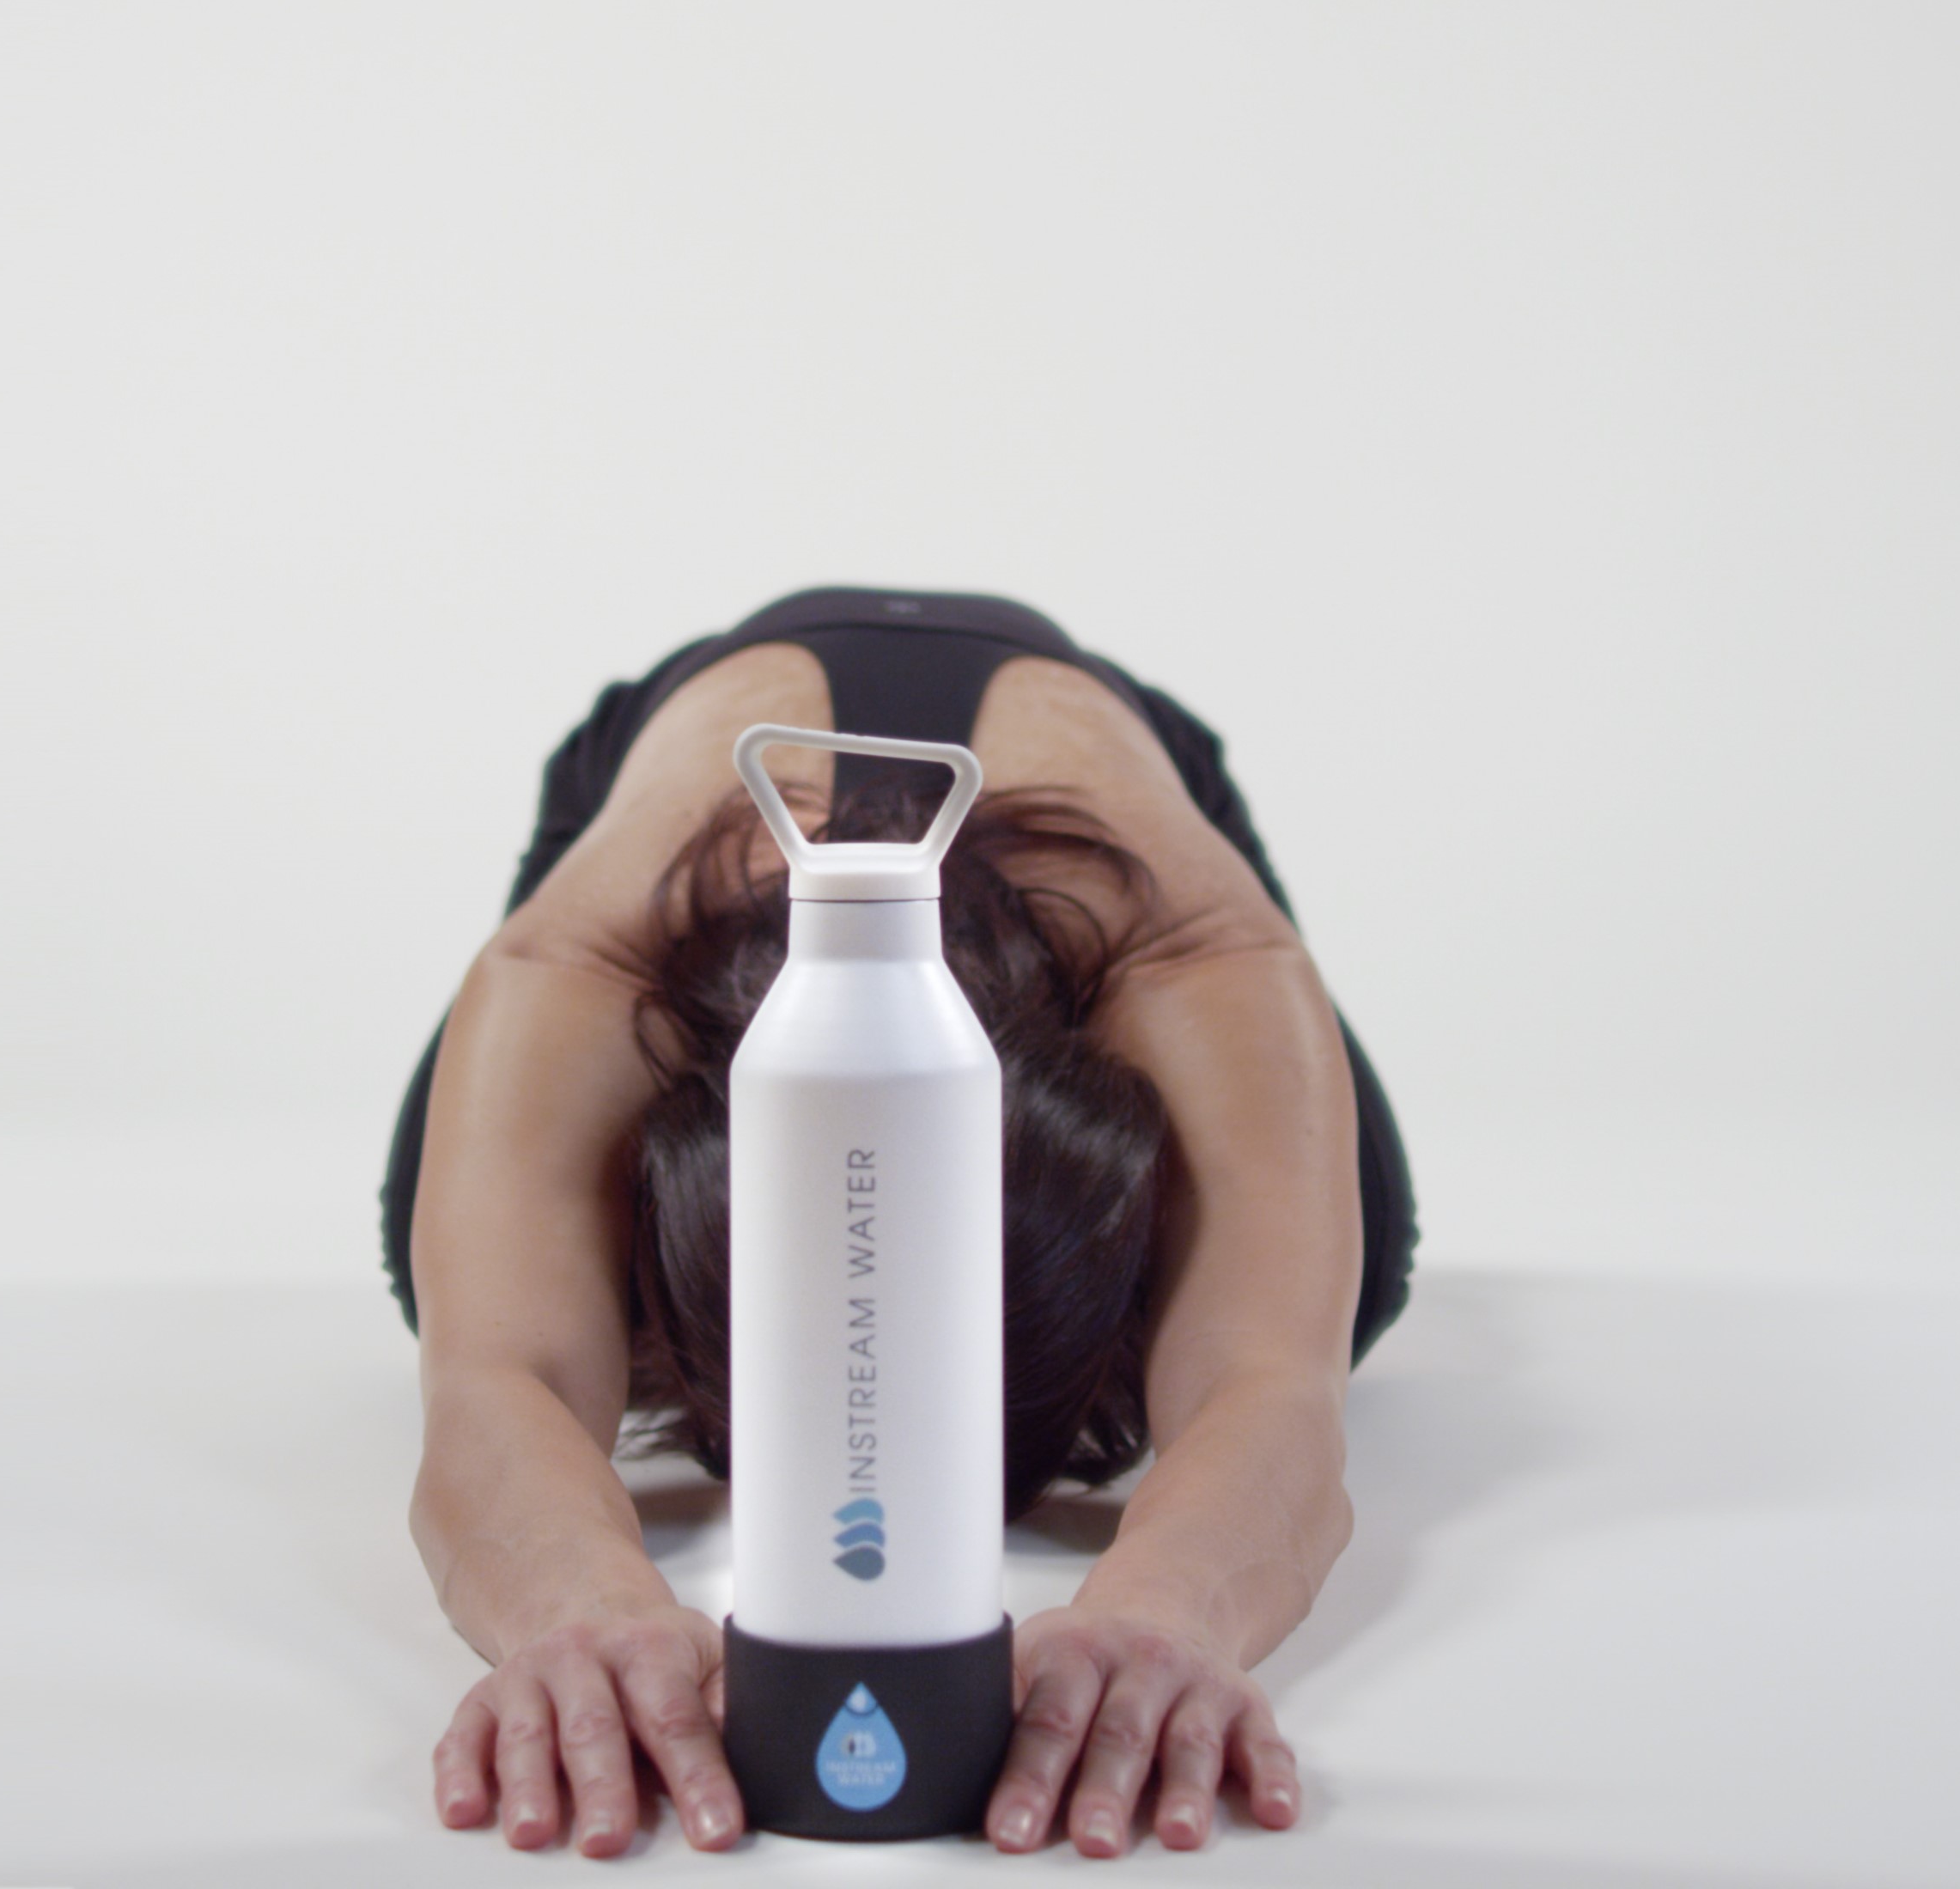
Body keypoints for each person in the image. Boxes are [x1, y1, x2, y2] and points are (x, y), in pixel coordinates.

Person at [380, 587, 1415, 1860]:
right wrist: (574, 1616)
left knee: (1345, 1255)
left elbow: (1272, 1383)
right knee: (451, 1241)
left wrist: (1169, 1615)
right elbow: (498, 1376)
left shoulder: (1194, 944)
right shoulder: (589, 958)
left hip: (1130, 851)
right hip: (671, 840)